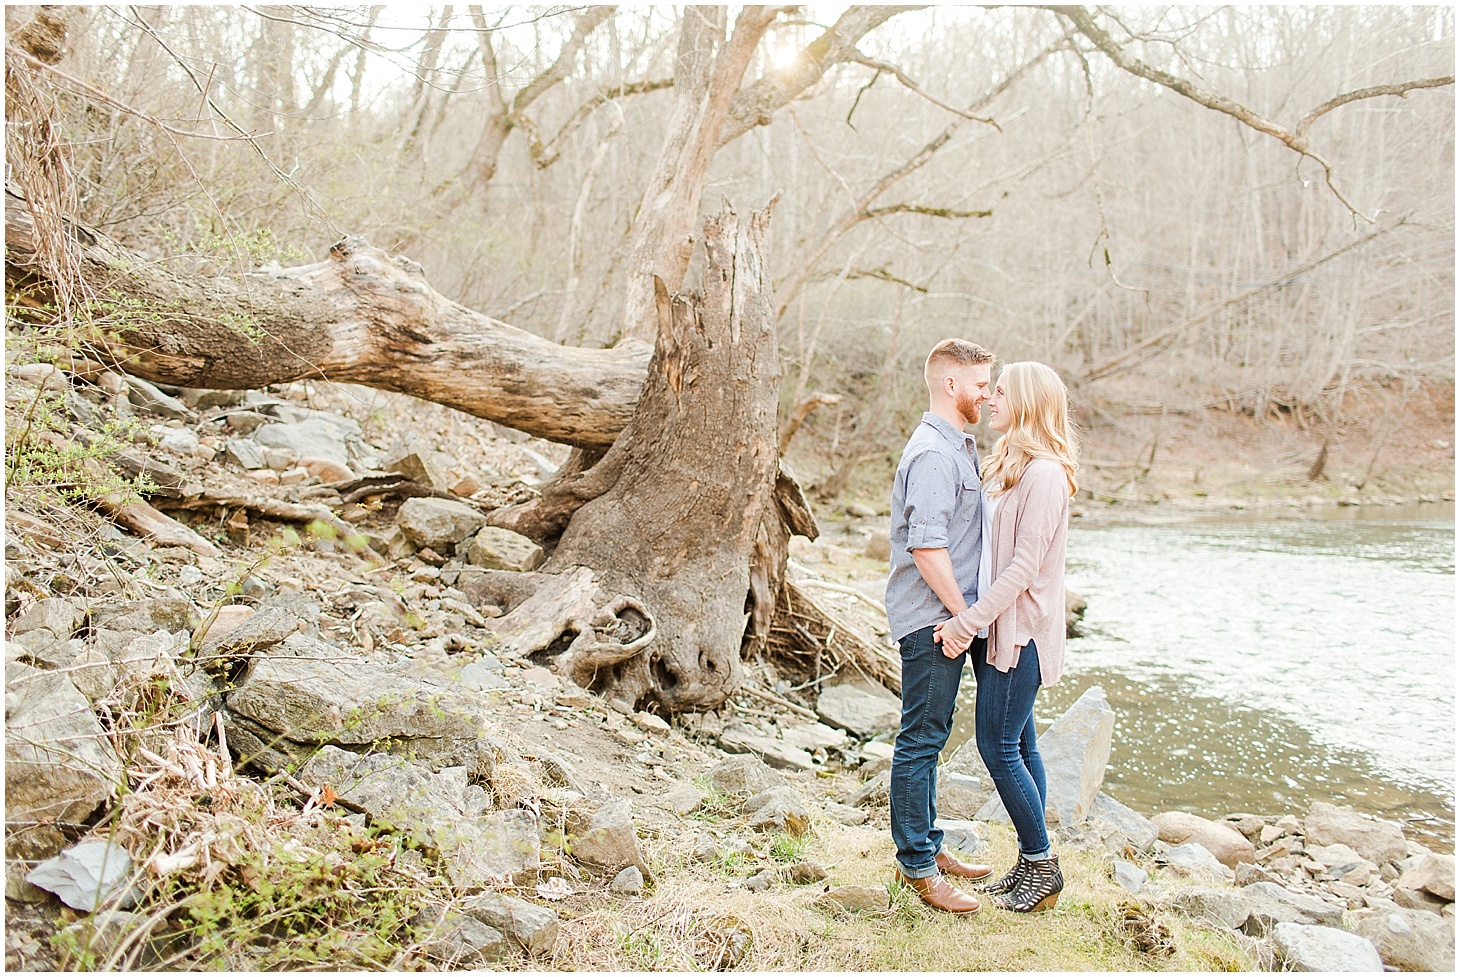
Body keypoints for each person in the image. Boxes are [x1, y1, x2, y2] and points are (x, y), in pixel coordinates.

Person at [934, 361, 1079, 913]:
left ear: (1028, 403)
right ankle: (1030, 863)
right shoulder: (1013, 465)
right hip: (1001, 628)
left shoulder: (1044, 475)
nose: (991, 399)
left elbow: (1021, 570)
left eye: (1001, 392)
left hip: (1022, 635)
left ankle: (1043, 867)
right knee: (1022, 744)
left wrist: (967, 622)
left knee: (997, 746)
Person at [886, 338, 996, 914]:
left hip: (944, 615)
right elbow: (927, 547)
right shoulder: (934, 454)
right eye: (981, 384)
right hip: (932, 620)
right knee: (921, 739)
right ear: (951, 385)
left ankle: (929, 844)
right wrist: (963, 615)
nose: (988, 394)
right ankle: (918, 868)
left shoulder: (959, 447)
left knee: (931, 735)